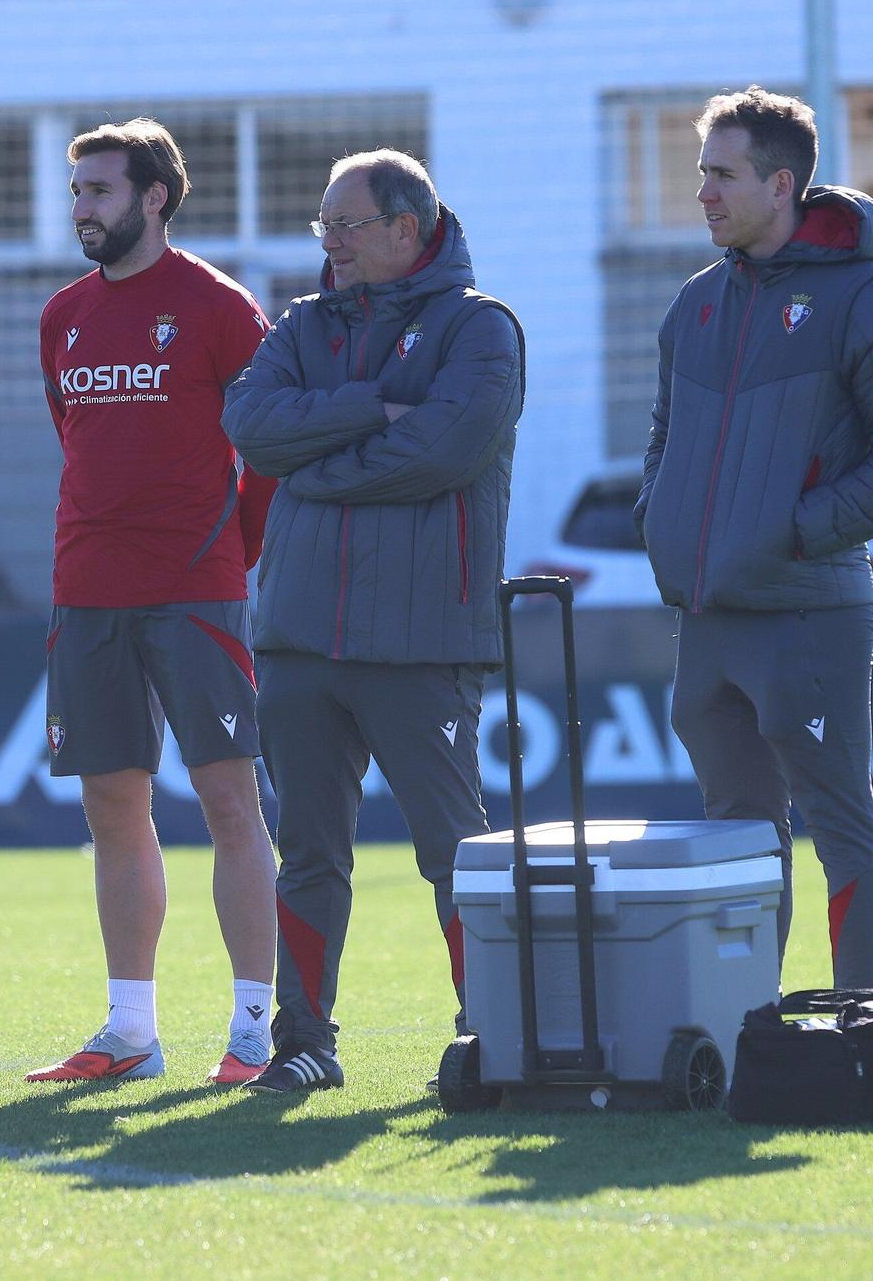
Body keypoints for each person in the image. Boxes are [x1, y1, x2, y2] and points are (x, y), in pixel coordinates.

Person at [220, 149, 524, 1093]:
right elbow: (248, 424)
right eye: (324, 227)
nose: (330, 243)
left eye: (345, 226)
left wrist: (318, 462)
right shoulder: (302, 326)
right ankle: (305, 1042)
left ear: (406, 228)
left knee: (454, 850)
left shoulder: (482, 331)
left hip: (423, 642)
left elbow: (443, 450)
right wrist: (365, 410)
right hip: (302, 640)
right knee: (308, 851)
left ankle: (493, 1038)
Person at [635, 86, 873, 990]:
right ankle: (746, 1028)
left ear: (782, 184)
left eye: (722, 175)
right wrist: (661, 520)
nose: (703, 193)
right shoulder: (695, 302)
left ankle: (863, 1017)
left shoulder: (866, 300)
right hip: (707, 617)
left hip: (808, 610)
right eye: (701, 174)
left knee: (841, 824)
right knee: (736, 837)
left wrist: (795, 533)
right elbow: (662, 437)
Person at [24, 119, 281, 1086]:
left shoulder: (220, 308)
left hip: (197, 592)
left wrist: (231, 552)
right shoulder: (62, 316)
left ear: (155, 197)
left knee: (228, 799)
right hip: (87, 590)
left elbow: (267, 450)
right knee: (111, 804)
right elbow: (75, 437)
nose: (81, 206)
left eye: (97, 189)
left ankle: (254, 1028)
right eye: (77, 190)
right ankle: (130, 1029)